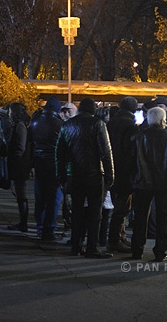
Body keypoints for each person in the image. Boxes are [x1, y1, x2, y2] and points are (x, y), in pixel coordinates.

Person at [129, 107, 167, 262]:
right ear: (164, 120)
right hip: (166, 182)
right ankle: (161, 251)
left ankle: (137, 250)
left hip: (142, 182)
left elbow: (129, 161)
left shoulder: (137, 137)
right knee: (164, 217)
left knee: (141, 216)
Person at [56, 98, 114, 259]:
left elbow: (60, 153)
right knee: (95, 212)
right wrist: (110, 175)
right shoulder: (98, 124)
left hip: (74, 174)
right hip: (94, 174)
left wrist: (61, 176)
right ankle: (92, 247)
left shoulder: (67, 125)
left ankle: (76, 244)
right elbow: (106, 151)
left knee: (77, 211)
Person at [105, 96, 138, 253]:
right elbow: (130, 152)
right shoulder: (130, 125)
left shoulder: (110, 123)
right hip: (125, 173)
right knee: (122, 208)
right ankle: (114, 239)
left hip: (110, 170)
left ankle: (120, 236)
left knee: (116, 204)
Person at [30, 97, 64, 241]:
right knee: (54, 198)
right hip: (54, 165)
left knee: (40, 197)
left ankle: (40, 226)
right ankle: (49, 229)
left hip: (39, 163)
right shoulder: (59, 124)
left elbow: (30, 144)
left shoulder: (35, 122)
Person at [7, 103, 31, 233]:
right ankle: (22, 221)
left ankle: (23, 222)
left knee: (21, 194)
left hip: (20, 166)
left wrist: (15, 160)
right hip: (20, 165)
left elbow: (20, 147)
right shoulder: (19, 125)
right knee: (20, 194)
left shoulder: (20, 126)